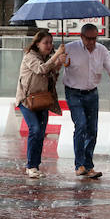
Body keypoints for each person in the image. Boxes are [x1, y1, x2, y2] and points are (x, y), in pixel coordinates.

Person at [62, 23, 110, 180]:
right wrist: (61, 61)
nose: (92, 42)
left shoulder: (102, 50)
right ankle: (79, 165)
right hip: (73, 92)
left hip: (92, 93)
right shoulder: (69, 48)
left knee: (92, 129)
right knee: (81, 125)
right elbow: (56, 66)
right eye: (88, 39)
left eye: (94, 38)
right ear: (81, 37)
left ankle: (88, 165)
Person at [15, 30, 66, 178]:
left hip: (42, 100)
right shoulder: (30, 57)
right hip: (27, 100)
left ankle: (35, 165)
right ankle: (30, 166)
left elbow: (51, 77)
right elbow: (41, 69)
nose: (49, 45)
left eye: (51, 43)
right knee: (35, 130)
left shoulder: (48, 57)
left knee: (40, 133)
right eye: (45, 43)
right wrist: (57, 55)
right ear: (37, 44)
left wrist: (58, 64)